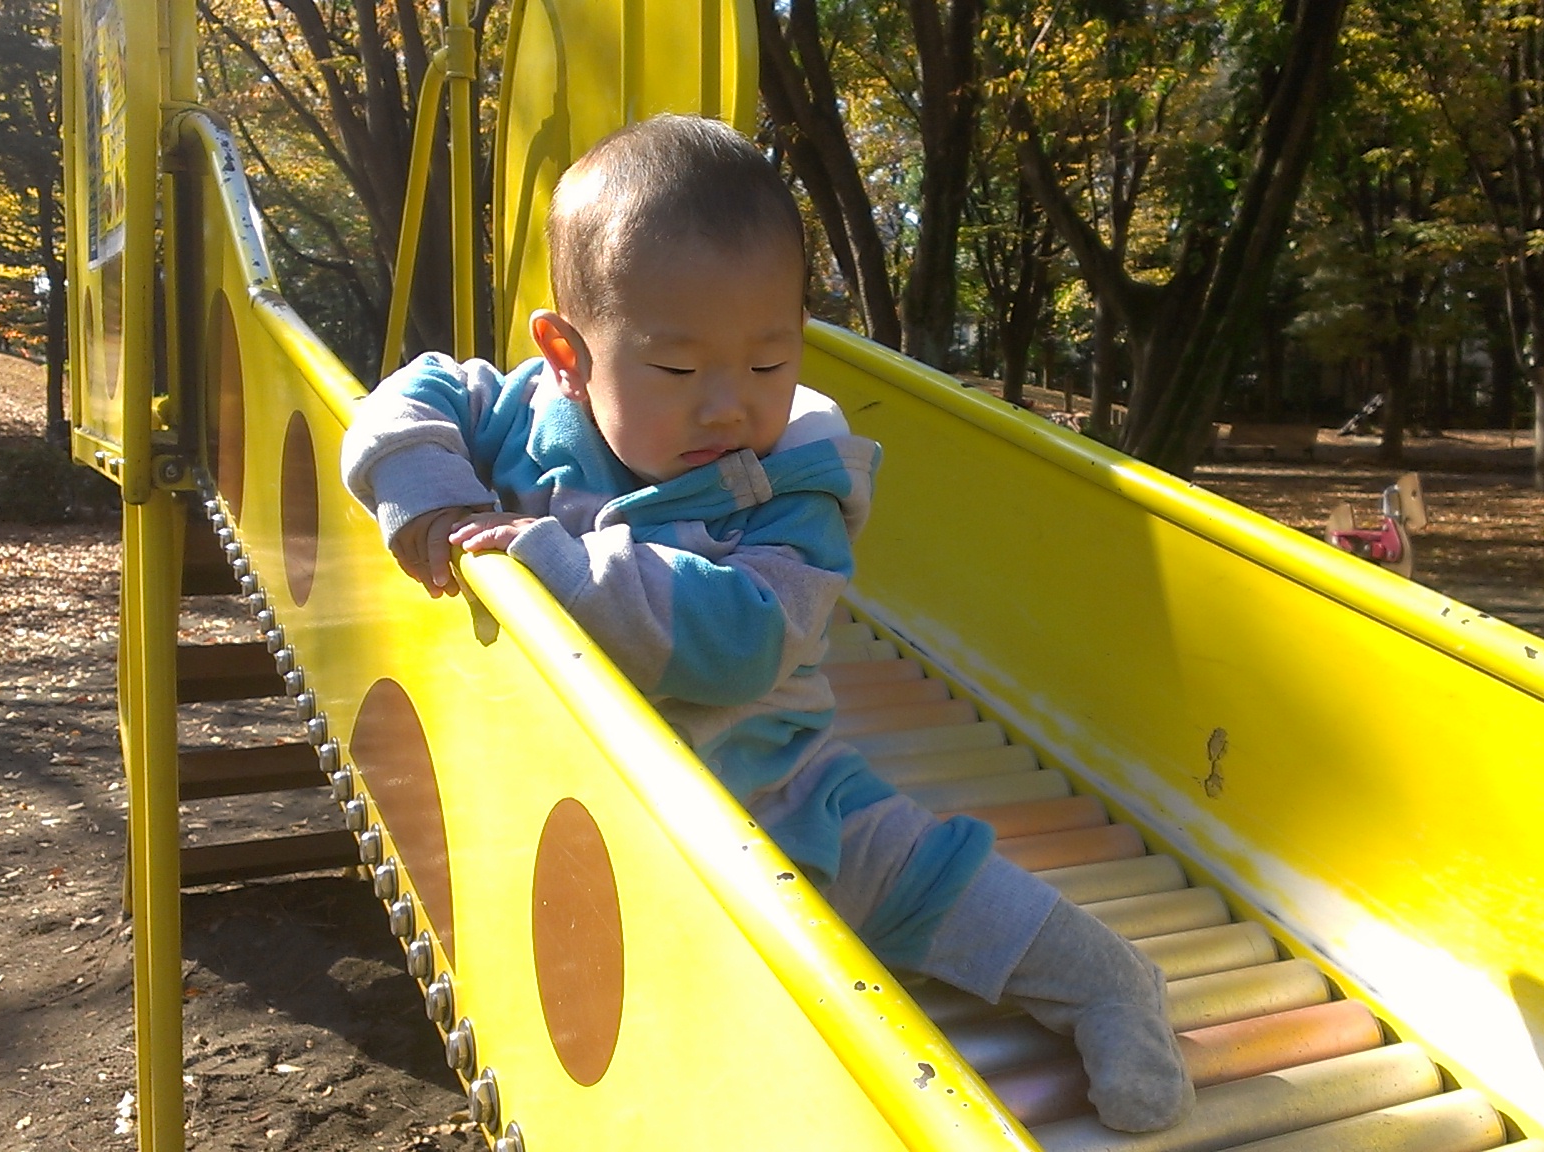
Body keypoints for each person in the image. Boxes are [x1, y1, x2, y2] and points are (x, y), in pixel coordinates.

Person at [340, 114, 1193, 1132]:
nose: (727, 408)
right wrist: (431, 498)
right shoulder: (518, 410)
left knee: (935, 885)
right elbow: (403, 399)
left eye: (766, 364)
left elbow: (738, 642)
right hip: (589, 803)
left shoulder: (794, 488)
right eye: (676, 370)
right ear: (566, 355)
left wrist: (551, 563)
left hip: (776, 792)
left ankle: (1106, 981)